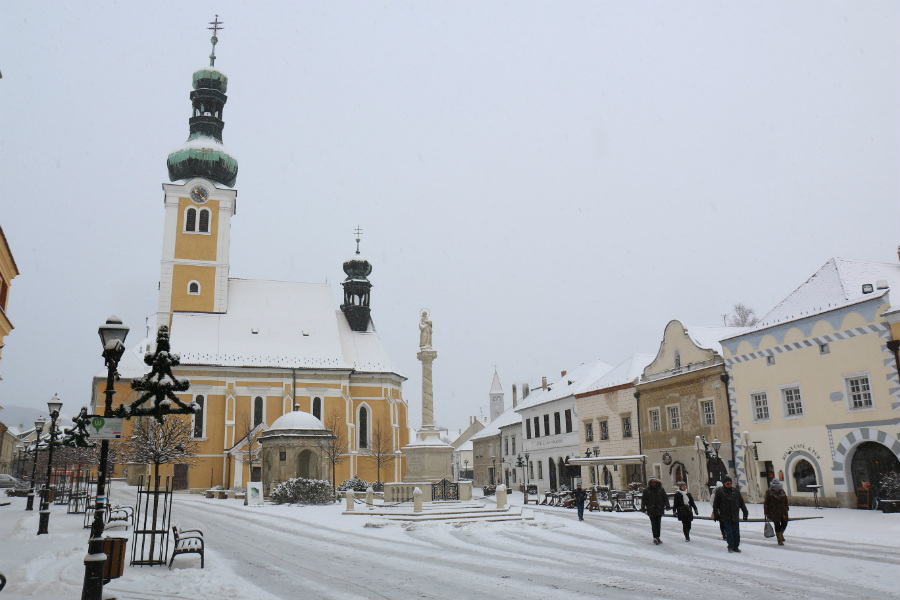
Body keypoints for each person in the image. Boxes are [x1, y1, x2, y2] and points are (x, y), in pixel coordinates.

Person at [712, 475, 749, 553]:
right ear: (724, 484)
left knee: (736, 533)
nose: (729, 485)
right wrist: (716, 514)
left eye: (730, 483)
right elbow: (716, 504)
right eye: (727, 484)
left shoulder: (735, 491)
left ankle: (736, 546)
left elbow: (741, 502)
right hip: (725, 516)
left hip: (735, 515)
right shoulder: (720, 492)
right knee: (729, 532)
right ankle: (731, 546)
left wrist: (745, 512)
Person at [641, 476, 670, 545]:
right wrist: (643, 508)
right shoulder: (646, 490)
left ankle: (658, 537)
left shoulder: (661, 489)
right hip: (651, 509)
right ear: (650, 483)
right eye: (652, 482)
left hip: (659, 508)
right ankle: (655, 537)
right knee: (654, 523)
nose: (653, 483)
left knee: (658, 523)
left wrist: (667, 506)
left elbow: (665, 498)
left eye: (654, 482)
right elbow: (643, 500)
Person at [764, 478, 789, 546]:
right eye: (776, 488)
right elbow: (766, 503)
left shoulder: (782, 492)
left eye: (778, 488)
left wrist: (787, 507)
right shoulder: (768, 492)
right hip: (774, 512)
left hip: (783, 511)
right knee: (777, 525)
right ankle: (779, 540)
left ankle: (780, 534)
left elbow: (786, 500)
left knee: (785, 523)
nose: (777, 489)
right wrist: (766, 512)